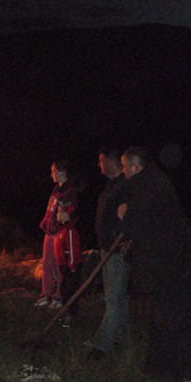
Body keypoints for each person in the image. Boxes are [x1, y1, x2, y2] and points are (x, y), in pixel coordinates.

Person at [117, 146, 191, 381]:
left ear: (134, 166)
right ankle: (159, 368)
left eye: (124, 166)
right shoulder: (155, 181)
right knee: (165, 316)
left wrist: (125, 215)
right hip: (173, 264)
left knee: (174, 318)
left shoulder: (145, 185)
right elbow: (154, 225)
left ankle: (183, 374)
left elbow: (137, 225)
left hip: (170, 266)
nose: (123, 172)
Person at [87, 147, 128, 360]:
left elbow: (129, 218)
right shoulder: (111, 185)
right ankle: (119, 336)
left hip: (117, 250)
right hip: (106, 248)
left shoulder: (125, 186)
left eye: (101, 160)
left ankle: (101, 345)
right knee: (118, 296)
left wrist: (120, 240)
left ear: (111, 163)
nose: (98, 164)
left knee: (112, 297)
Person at [36, 159, 85, 324]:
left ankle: (58, 296)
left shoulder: (70, 191)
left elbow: (71, 214)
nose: (51, 174)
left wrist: (64, 219)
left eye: (53, 171)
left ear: (62, 172)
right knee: (47, 263)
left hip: (60, 234)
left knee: (59, 265)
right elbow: (51, 209)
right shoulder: (56, 189)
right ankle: (46, 294)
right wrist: (45, 222)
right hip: (49, 232)